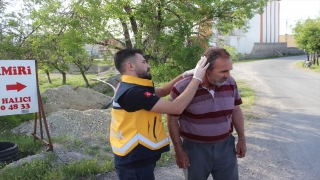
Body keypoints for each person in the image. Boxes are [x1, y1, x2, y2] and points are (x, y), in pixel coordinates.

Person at [110, 48, 209, 180]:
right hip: (135, 162)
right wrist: (196, 79)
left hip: (136, 158)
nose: (148, 65)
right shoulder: (133, 93)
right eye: (144, 62)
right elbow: (176, 108)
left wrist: (185, 75)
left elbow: (162, 91)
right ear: (131, 66)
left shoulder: (129, 86)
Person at [167, 47, 247, 180]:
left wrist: (242, 139)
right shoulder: (182, 88)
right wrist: (178, 150)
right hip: (195, 150)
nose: (228, 75)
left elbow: (236, 109)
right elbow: (172, 120)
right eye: (223, 71)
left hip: (226, 147)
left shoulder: (230, 83)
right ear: (206, 70)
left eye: (229, 70)